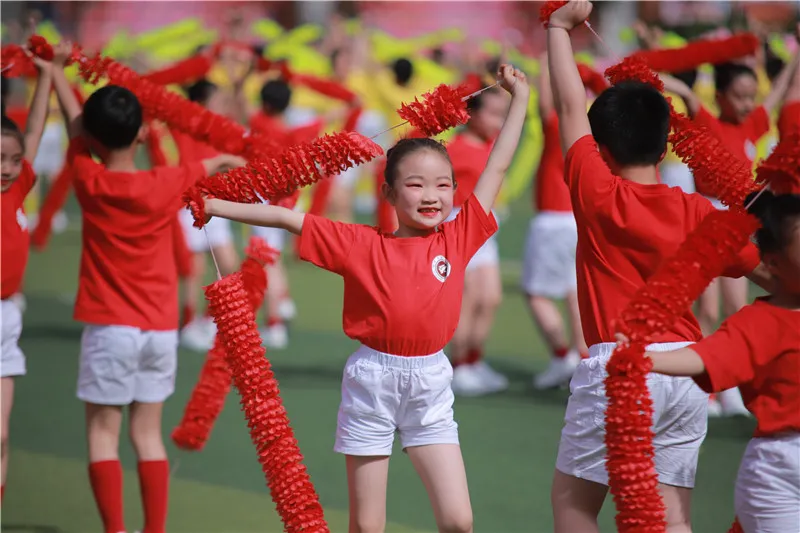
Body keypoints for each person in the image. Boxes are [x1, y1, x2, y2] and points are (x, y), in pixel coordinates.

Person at [201, 64, 529, 533]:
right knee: (367, 527)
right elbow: (286, 218)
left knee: (459, 521)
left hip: (432, 381)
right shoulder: (359, 243)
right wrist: (214, 205)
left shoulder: (459, 237)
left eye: (442, 185)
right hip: (372, 380)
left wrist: (520, 99)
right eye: (415, 184)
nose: (431, 195)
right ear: (389, 192)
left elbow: (498, 164)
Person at [544, 3, 771, 532]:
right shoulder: (698, 212)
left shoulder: (597, 192)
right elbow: (767, 271)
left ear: (599, 148)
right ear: (667, 141)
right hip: (686, 372)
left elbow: (569, 105)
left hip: (618, 368)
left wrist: (558, 28)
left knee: (574, 505)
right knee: (671, 518)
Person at [48, 42, 245, 533]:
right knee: (148, 436)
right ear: (140, 133)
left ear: (93, 137)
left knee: (102, 437)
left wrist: (54, 73)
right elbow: (218, 162)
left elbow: (77, 132)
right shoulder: (169, 179)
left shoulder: (88, 178)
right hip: (159, 330)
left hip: (110, 327)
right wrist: (234, 150)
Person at [637, 191, 800, 533]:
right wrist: (643, 359)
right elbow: (704, 357)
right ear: (773, 263)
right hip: (783, 473)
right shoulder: (761, 322)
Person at [663, 32, 799, 416]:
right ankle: (705, 391)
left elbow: (780, 93)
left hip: (741, 222)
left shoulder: (754, 123)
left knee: (737, 307)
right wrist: (650, 78)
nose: (747, 104)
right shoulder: (707, 120)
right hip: (708, 222)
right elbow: (684, 93)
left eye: (750, 96)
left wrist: (796, 55)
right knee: (707, 308)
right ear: (720, 96)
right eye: (738, 96)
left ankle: (729, 388)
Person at [0, 48, 52, 502]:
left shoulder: (17, 186)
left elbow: (33, 130)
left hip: (6, 321)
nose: (6, 168)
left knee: (0, 437)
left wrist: (47, 76)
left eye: (13, 160)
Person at [522, 57, 587, 391]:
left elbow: (545, 99)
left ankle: (562, 357)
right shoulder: (592, 134)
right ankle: (581, 357)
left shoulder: (556, 123)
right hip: (578, 221)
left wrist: (546, 62)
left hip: (551, 219)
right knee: (573, 292)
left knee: (536, 294)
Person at [446, 84, 510, 396]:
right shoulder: (453, 147)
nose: (499, 121)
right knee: (468, 298)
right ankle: (457, 367)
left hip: (484, 225)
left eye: (503, 115)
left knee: (491, 298)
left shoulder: (493, 144)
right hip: (459, 223)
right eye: (493, 113)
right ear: (471, 113)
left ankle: (474, 360)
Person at [175, 79, 240, 352]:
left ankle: (207, 319)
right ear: (201, 101)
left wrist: (236, 74)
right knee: (194, 270)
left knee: (230, 266)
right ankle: (187, 324)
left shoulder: (219, 127)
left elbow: (232, 101)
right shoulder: (185, 124)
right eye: (215, 99)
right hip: (189, 202)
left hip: (215, 203)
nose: (220, 104)